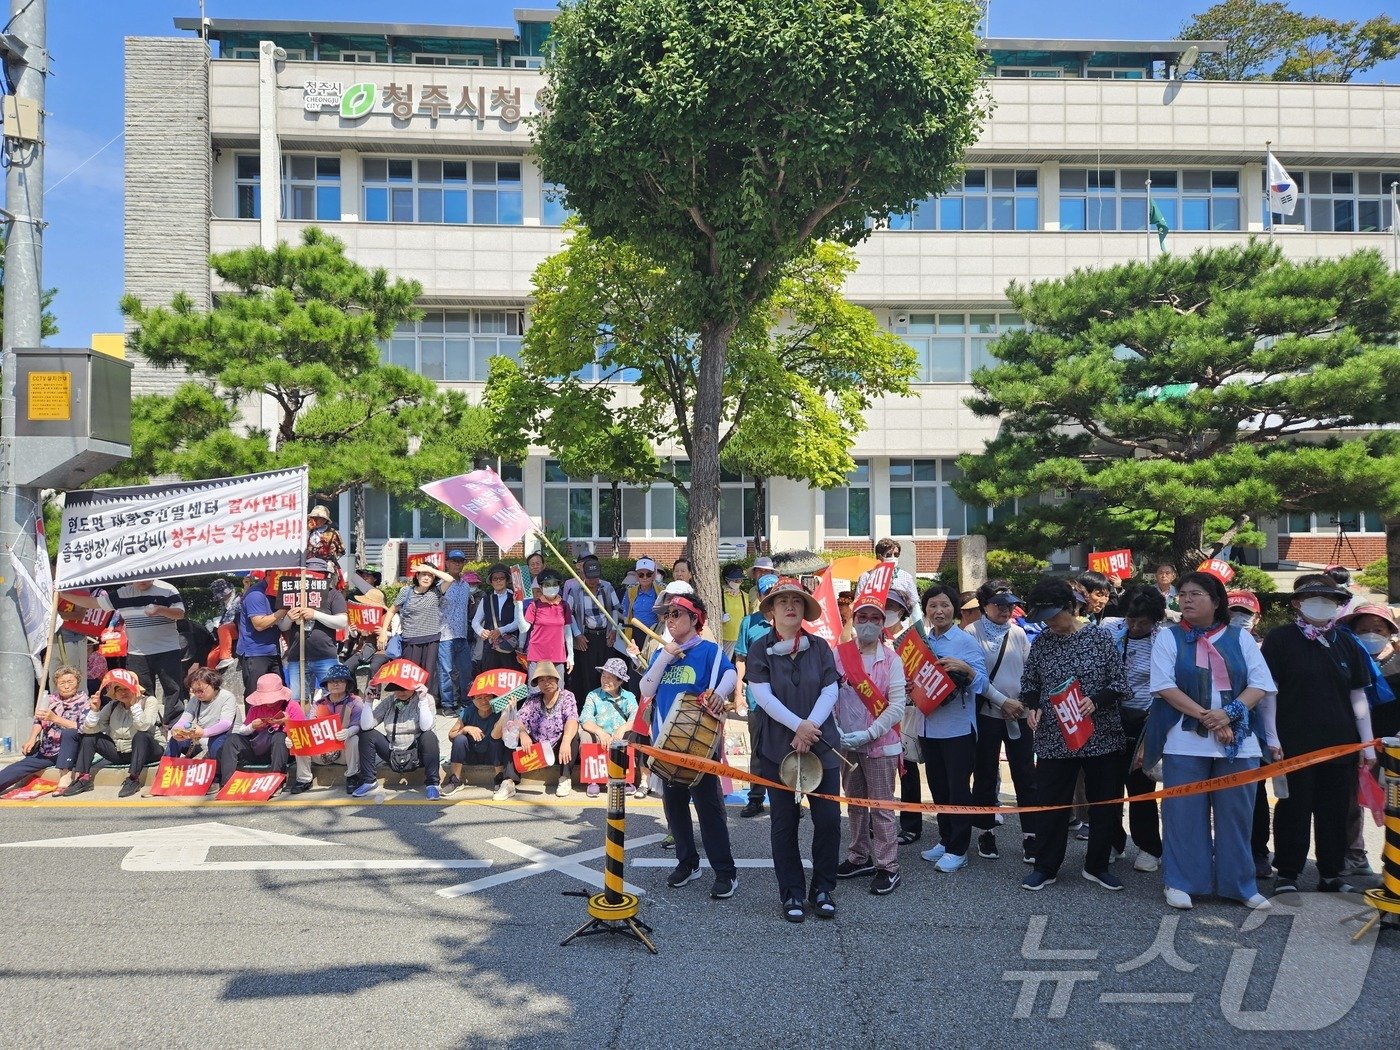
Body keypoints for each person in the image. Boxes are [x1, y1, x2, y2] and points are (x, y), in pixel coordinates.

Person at [1142, 571, 1278, 911]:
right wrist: (1209, 717)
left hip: (1238, 742)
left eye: (1196, 594)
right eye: (1183, 594)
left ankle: (1240, 885)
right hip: (1183, 741)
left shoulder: (1240, 637)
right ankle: (1181, 882)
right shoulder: (1169, 637)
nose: (1187, 599)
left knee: (1236, 815)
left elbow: (1260, 684)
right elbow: (1163, 686)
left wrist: (1229, 713)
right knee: (1183, 813)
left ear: (1217, 602)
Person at [1262, 574, 1377, 895]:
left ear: (1339, 605)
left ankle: (1331, 873)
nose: (1322, 604)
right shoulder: (1280, 639)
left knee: (1335, 810)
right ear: (1297, 603)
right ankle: (1288, 873)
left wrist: (1367, 743)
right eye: (1314, 598)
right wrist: (1271, 737)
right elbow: (1269, 693)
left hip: (1341, 743)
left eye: (1330, 599)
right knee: (1293, 808)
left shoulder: (1347, 643)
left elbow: (1358, 695)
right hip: (1294, 741)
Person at [1018, 578, 1131, 893]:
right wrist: (1032, 707)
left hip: (1099, 735)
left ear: (1071, 607)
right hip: (1055, 737)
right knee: (1051, 803)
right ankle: (1045, 866)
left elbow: (1119, 683)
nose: (1050, 623)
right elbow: (1030, 682)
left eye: (1055, 615)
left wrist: (1096, 701)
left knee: (1103, 803)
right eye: (1045, 618)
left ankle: (1097, 865)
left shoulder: (1099, 637)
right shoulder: (1043, 642)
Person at [747, 579, 842, 920]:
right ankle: (792, 893)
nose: (790, 606)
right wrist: (797, 726)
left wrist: (809, 727)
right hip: (778, 747)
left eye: (797, 601)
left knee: (828, 820)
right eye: (782, 601)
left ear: (804, 609)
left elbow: (831, 689)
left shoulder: (820, 646)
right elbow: (763, 696)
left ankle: (823, 888)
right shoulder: (760, 648)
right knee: (784, 822)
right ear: (771, 610)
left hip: (822, 745)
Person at [639, 593, 740, 902]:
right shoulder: (662, 652)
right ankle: (687, 862)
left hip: (699, 746)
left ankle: (725, 872)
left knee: (709, 810)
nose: (669, 619)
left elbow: (730, 673)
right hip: (666, 744)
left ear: (694, 619)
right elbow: (646, 688)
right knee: (675, 809)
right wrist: (665, 657)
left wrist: (719, 693)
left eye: (676, 614)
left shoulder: (708, 650)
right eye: (667, 614)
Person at [833, 590, 908, 896]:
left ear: (882, 623)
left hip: (880, 744)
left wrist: (870, 732)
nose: (867, 623)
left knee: (881, 807)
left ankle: (888, 866)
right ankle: (859, 856)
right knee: (855, 804)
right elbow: (829, 694)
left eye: (874, 618)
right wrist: (835, 728)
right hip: (847, 743)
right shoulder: (839, 655)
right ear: (853, 619)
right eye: (861, 617)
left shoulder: (891, 660)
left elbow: (897, 706)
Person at [911, 584, 989, 873]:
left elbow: (983, 683)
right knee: (938, 787)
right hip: (927, 727)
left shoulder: (965, 642)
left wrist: (967, 671)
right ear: (925, 610)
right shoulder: (920, 642)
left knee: (958, 790)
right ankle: (946, 839)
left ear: (954, 609)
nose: (939, 611)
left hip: (957, 729)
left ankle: (959, 848)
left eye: (944, 605)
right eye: (932, 606)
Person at [968, 581, 1038, 865]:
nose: (1005, 610)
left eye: (1010, 604)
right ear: (984, 605)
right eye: (999, 604)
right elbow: (974, 676)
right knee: (985, 772)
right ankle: (985, 831)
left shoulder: (1019, 632)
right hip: (987, 713)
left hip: (1019, 712)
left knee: (1026, 774)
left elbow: (1030, 670)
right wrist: (1002, 702)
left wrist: (1022, 703)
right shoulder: (971, 632)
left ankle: (1031, 834)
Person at [1100, 586, 1169, 875]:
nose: (1136, 627)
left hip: (1146, 719)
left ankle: (1149, 846)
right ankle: (1112, 841)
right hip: (1109, 717)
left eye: (1144, 622)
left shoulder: (1163, 640)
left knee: (1141, 787)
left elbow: (1166, 687)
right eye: (1131, 619)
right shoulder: (1108, 630)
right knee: (1107, 785)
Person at [63, 579, 186, 724]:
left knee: (173, 689)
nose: (142, 580)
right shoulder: (123, 593)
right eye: (138, 577)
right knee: (140, 691)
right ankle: (148, 725)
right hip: (137, 652)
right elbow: (94, 603)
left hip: (167, 649)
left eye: (146, 576)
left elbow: (180, 613)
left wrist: (160, 610)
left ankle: (175, 725)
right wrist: (63, 595)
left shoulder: (167, 589)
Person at [1226, 589, 1275, 879]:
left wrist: (1273, 737)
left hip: (1254, 732)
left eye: (1245, 613)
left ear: (1257, 618)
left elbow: (1269, 696)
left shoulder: (1265, 647)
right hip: (1216, 728)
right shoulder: (1212, 642)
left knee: (1255, 795)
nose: (1239, 618)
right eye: (1233, 612)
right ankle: (1224, 849)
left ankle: (1257, 851)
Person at [497, 661, 579, 799]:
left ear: (556, 679)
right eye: (541, 680)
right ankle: (508, 782)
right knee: (513, 733)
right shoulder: (533, 699)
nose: (546, 683)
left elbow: (572, 719)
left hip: (558, 747)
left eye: (549, 678)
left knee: (573, 736)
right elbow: (519, 720)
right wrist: (523, 733)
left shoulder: (567, 696)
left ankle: (565, 778)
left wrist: (565, 741)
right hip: (536, 747)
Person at [734, 572, 780, 817]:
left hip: (785, 697)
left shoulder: (789, 621)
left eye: (775, 593)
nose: (771, 598)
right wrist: (738, 693)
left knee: (787, 747)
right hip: (756, 697)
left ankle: (789, 797)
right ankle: (755, 798)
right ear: (760, 597)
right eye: (767, 594)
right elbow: (740, 659)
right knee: (759, 749)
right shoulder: (748, 623)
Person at [78, 669, 166, 798]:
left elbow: (144, 726)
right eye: (119, 689)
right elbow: (90, 729)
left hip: (148, 750)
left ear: (135, 689)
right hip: (120, 752)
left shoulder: (149, 701)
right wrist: (94, 711)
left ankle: (133, 779)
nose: (123, 692)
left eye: (127, 688)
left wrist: (134, 705)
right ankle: (83, 778)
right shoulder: (112, 706)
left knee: (141, 736)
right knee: (89, 738)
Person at [3, 666, 89, 796]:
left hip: (71, 751)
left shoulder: (84, 701)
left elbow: (83, 727)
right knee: (17, 768)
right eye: (62, 683)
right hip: (48, 749)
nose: (66, 686)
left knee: (69, 732)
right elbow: (39, 720)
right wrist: (32, 738)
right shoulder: (50, 700)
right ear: (56, 685)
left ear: (77, 683)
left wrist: (55, 718)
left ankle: (65, 777)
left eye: (70, 682)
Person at [354, 675, 442, 800]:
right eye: (397, 689)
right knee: (367, 734)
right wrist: (368, 702)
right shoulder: (389, 701)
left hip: (416, 753)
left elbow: (426, 727)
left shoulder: (427, 699)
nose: (401, 692)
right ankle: (369, 782)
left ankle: (433, 784)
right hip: (393, 751)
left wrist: (422, 700)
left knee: (429, 736)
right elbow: (366, 725)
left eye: (405, 688)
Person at [289, 662, 364, 796]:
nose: (335, 684)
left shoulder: (355, 701)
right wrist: (292, 738)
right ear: (326, 684)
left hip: (344, 752)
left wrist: (348, 732)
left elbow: (358, 724)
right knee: (299, 740)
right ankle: (304, 779)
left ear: (347, 684)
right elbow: (308, 726)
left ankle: (353, 776)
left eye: (340, 681)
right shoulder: (318, 704)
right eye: (331, 681)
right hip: (320, 752)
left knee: (354, 739)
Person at [383, 564, 452, 693]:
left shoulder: (436, 592)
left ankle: (425, 702)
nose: (426, 578)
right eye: (423, 574)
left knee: (427, 677)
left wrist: (429, 569)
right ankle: (408, 701)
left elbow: (449, 579)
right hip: (410, 641)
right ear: (417, 575)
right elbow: (391, 610)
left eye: (430, 576)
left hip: (431, 641)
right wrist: (383, 632)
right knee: (409, 677)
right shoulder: (406, 591)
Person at [578, 657, 641, 798]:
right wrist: (600, 732)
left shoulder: (628, 697)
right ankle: (593, 779)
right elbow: (585, 719)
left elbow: (636, 718)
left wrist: (622, 729)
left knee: (632, 734)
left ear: (620, 681)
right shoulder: (593, 695)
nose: (605, 681)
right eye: (603, 676)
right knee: (585, 734)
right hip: (599, 738)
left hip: (619, 739)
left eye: (610, 677)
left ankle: (626, 778)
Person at [221, 672, 293, 788]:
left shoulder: (291, 706)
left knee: (279, 737)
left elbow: (303, 731)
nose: (269, 702)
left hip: (282, 751)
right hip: (258, 748)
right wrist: (252, 726)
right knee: (232, 739)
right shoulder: (255, 709)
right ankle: (226, 783)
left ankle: (276, 782)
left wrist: (287, 723)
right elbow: (242, 730)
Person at [567, 554, 621, 700]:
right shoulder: (576, 589)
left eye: (596, 577)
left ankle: (607, 701)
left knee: (607, 673)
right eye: (590, 577)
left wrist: (614, 630)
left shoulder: (607, 587)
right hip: (586, 637)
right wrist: (577, 634)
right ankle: (590, 703)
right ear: (583, 574)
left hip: (605, 636)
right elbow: (568, 614)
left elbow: (615, 609)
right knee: (587, 674)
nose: (593, 581)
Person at [443, 681, 508, 796]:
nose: (484, 701)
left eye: (487, 697)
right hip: (472, 754)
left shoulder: (499, 710)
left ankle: (499, 778)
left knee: (496, 739)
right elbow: (451, 735)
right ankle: (455, 780)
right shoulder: (468, 712)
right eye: (479, 698)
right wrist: (465, 729)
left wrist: (505, 713)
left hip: (493, 755)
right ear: (473, 700)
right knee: (459, 739)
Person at [166, 667, 237, 768]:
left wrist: (204, 732)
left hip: (223, 739)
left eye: (200, 690)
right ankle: (167, 769)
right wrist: (176, 730)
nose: (197, 694)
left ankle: (217, 774)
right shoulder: (194, 700)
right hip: (201, 740)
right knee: (175, 740)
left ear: (213, 684)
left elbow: (226, 723)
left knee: (215, 742)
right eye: (194, 691)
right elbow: (184, 719)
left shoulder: (227, 697)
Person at [438, 550, 475, 716]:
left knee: (466, 671)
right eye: (454, 561)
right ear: (447, 563)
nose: (457, 564)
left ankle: (467, 703)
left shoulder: (466, 586)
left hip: (462, 635)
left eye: (460, 561)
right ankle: (447, 705)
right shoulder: (441, 584)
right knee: (446, 672)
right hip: (444, 636)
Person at [234, 572, 282, 697]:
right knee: (255, 695)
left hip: (273, 650)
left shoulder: (277, 592)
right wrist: (284, 609)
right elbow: (259, 624)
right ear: (269, 574)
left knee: (277, 695)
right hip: (254, 652)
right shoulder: (256, 594)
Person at [522, 568, 573, 679]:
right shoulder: (534, 605)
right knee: (535, 688)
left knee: (557, 688)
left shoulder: (564, 606)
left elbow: (568, 631)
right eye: (547, 585)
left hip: (558, 656)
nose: (551, 587)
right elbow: (523, 629)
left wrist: (571, 656)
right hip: (536, 656)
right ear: (541, 587)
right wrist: (518, 605)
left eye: (554, 584)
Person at [857, 538, 920, 628]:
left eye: (896, 554)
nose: (893, 557)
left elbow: (914, 604)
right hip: (873, 626)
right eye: (889, 555)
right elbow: (858, 603)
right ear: (879, 556)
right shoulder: (867, 576)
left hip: (899, 627)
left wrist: (919, 628)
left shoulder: (906, 577)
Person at [473, 563, 522, 674]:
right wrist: (481, 631)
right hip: (490, 646)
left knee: (510, 676)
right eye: (495, 579)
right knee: (490, 676)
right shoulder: (486, 599)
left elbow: (518, 621)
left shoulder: (514, 597)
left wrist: (501, 630)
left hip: (509, 646)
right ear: (491, 582)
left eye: (501, 578)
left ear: (507, 580)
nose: (498, 581)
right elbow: (475, 621)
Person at [623, 557, 666, 646]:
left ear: (653, 575)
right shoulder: (630, 591)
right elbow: (626, 614)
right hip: (636, 633)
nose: (645, 577)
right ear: (636, 576)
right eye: (641, 575)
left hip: (655, 633)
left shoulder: (661, 590)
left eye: (649, 574)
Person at [305, 504, 346, 578]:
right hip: (308, 567)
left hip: (326, 568)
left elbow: (341, 551)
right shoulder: (307, 531)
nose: (316, 520)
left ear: (325, 520)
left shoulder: (332, 533)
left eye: (319, 518)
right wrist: (307, 530)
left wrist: (331, 561)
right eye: (314, 517)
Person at [720, 565, 749, 658]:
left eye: (740, 580)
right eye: (736, 580)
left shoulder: (745, 596)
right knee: (724, 662)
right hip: (725, 638)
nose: (738, 582)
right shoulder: (719, 595)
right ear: (727, 579)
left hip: (742, 638)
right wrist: (719, 619)